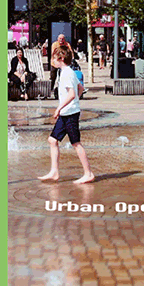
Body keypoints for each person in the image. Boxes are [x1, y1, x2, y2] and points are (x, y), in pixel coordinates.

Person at [38, 45, 94, 184]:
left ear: (61, 58)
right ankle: (54, 172)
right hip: (67, 113)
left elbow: (72, 93)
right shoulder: (68, 72)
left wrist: (59, 108)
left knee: (76, 143)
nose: (53, 61)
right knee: (52, 140)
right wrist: (74, 103)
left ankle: (88, 173)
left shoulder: (67, 73)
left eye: (54, 58)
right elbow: (80, 88)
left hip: (70, 114)